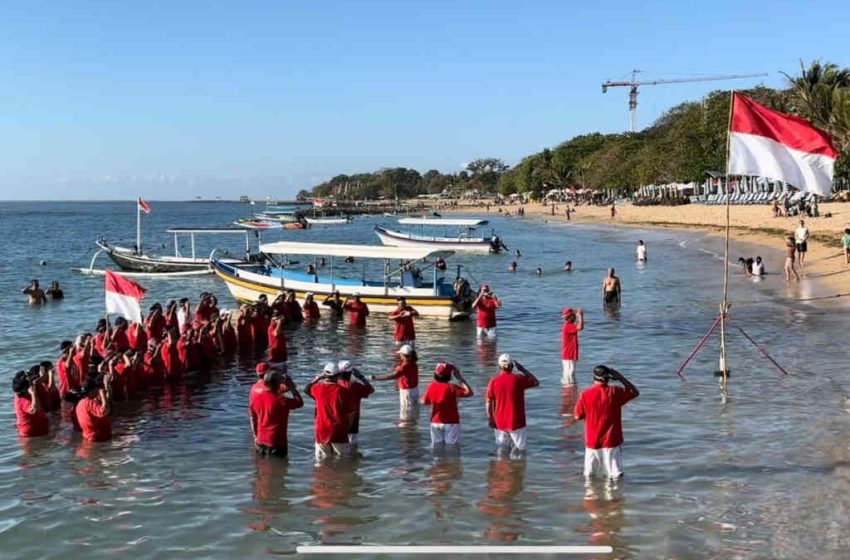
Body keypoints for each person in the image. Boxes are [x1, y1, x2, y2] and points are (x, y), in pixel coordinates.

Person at [574, 365, 639, 479]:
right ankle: (615, 496)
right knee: (616, 478)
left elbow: (577, 416)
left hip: (592, 442)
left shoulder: (585, 394)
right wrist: (620, 377)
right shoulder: (615, 392)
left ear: (594, 377)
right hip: (612, 441)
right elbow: (634, 392)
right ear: (609, 378)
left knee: (589, 478)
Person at [485, 354, 539, 456]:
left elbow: (488, 401)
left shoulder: (493, 381)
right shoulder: (518, 379)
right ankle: (517, 470)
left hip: (499, 422)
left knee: (502, 450)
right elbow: (536, 382)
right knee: (520, 450)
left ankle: (503, 469)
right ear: (512, 366)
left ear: (499, 366)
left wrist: (490, 419)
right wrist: (523, 369)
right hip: (516, 421)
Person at [249, 369, 303, 458]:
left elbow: (252, 417)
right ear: (278, 384)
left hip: (260, 439)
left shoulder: (255, 397)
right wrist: (292, 387)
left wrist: (255, 436)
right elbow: (300, 402)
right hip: (276, 442)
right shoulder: (282, 400)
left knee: (260, 468)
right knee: (278, 470)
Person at [305, 363, 352, 461]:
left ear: (324, 375)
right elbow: (350, 410)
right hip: (339, 430)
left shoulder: (317, 389)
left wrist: (317, 378)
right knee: (344, 461)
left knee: (322, 462)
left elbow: (306, 389)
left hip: (322, 429)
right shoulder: (343, 391)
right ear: (338, 375)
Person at [421, 362, 473, 449]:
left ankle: (439, 462)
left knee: (436, 448)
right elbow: (469, 392)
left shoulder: (431, 386)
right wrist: (460, 379)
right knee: (452, 448)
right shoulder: (452, 387)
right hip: (452, 422)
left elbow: (423, 402)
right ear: (449, 376)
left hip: (435, 422)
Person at [372, 345, 419, 421]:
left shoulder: (404, 366)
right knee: (414, 412)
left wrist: (377, 378)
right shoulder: (414, 363)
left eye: (400, 354)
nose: (399, 355)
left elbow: (393, 376)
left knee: (405, 415)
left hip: (406, 392)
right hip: (415, 390)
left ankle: (406, 430)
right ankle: (412, 428)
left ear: (404, 355)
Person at [337, 360, 374, 447]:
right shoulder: (355, 386)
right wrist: (361, 377)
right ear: (351, 373)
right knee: (352, 448)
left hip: (336, 420)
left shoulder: (334, 385)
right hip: (353, 421)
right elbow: (371, 390)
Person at [76, 373, 114, 442]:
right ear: (91, 390)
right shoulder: (90, 403)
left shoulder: (80, 403)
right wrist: (103, 396)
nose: (98, 390)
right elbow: (105, 411)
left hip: (88, 436)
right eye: (96, 388)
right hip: (98, 438)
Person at [12, 370, 49, 438]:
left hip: (37, 431)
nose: (31, 384)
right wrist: (33, 393)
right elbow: (35, 409)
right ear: (26, 388)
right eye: (29, 383)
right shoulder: (22, 400)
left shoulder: (24, 394)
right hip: (31, 434)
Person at [561, 308, 584, 386]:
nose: (575, 317)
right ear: (570, 317)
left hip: (569, 354)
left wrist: (578, 316)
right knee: (569, 374)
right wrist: (580, 316)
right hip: (568, 354)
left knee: (569, 374)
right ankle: (569, 391)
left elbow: (578, 326)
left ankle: (571, 390)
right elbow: (580, 327)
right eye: (574, 315)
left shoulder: (569, 326)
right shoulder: (568, 326)